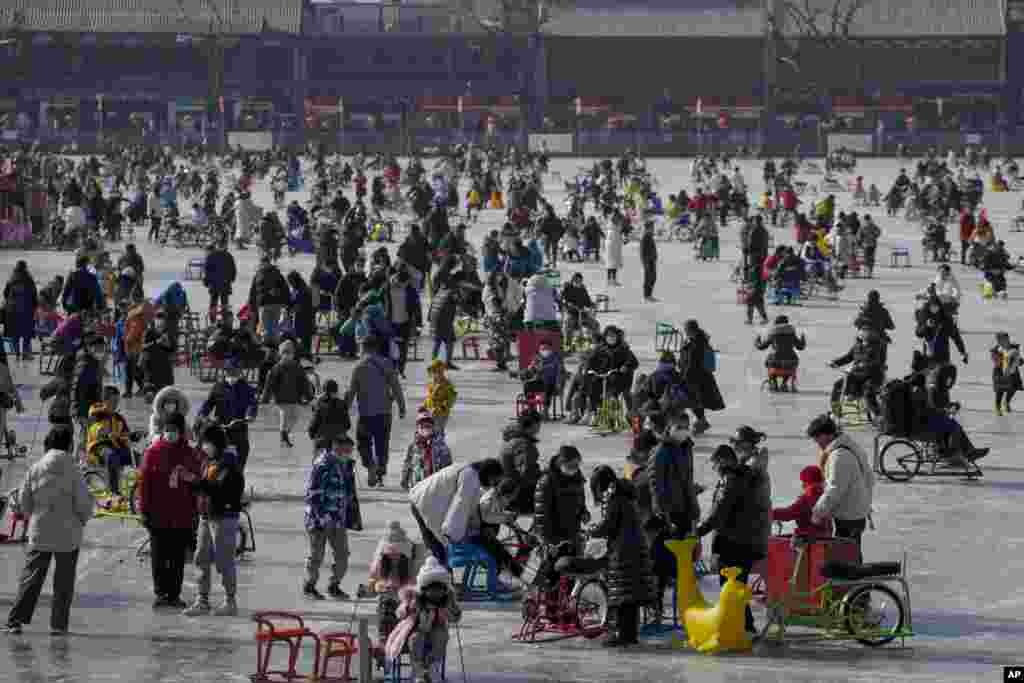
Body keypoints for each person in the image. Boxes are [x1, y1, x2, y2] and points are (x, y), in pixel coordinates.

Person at [5, 426, 94, 635]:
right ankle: (58, 626)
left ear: (47, 444)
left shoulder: (35, 469)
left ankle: (15, 621)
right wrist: (82, 520)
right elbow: (83, 505)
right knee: (63, 583)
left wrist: (33, 518)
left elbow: (24, 503)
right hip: (68, 535)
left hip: (40, 532)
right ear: (70, 445)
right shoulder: (74, 471)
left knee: (31, 579)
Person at [695, 444, 770, 635]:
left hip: (733, 542)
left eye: (715, 464)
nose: (715, 469)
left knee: (730, 586)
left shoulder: (731, 480)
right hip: (747, 540)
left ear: (722, 460)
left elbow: (719, 513)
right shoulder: (745, 476)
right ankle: (745, 624)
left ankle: (738, 626)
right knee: (737, 585)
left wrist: (698, 531)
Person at [138, 411, 201, 609]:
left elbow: (197, 483)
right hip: (157, 514)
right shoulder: (152, 452)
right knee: (158, 556)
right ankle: (160, 593)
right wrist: (144, 511)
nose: (170, 433)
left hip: (182, 514)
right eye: (167, 430)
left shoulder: (190, 454)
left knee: (176, 558)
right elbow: (144, 484)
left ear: (181, 431)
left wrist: (195, 512)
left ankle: (174, 594)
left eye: (174, 430)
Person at [588, 464, 654, 647]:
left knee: (623, 595)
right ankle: (629, 634)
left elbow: (608, 525)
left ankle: (622, 635)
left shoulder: (614, 497)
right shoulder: (626, 495)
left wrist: (592, 530)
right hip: (636, 548)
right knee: (630, 595)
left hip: (623, 550)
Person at [184, 424, 245, 617]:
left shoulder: (228, 464)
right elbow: (205, 487)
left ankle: (230, 600)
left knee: (224, 560)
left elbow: (219, 490)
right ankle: (202, 600)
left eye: (207, 443)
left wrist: (195, 482)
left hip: (223, 518)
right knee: (201, 557)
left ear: (216, 444)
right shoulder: (209, 462)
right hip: (206, 516)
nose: (204, 447)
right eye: (203, 443)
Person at [408, 458, 505, 566]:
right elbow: (460, 508)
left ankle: (442, 575)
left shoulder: (471, 472)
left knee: (441, 548)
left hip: (425, 498)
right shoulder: (470, 478)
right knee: (442, 550)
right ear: (489, 474)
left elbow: (468, 508)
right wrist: (455, 539)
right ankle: (442, 577)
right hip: (425, 502)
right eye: (494, 481)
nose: (493, 485)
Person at [806, 414, 874, 562]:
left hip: (849, 515)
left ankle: (854, 583)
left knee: (846, 557)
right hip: (856, 511)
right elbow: (869, 478)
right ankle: (857, 583)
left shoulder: (839, 456)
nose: (816, 442)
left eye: (817, 437)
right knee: (852, 553)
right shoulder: (849, 447)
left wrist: (818, 513)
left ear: (827, 435)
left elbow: (834, 489)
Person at [385, 556, 462, 683]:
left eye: (440, 590)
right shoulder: (416, 599)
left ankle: (431, 666)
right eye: (432, 590)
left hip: (437, 628)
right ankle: (418, 670)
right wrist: (408, 607)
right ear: (424, 589)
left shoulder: (446, 601)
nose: (436, 594)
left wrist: (454, 612)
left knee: (442, 636)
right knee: (416, 639)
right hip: (417, 628)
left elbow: (454, 616)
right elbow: (400, 613)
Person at [303, 434, 360, 600]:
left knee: (342, 554)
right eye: (346, 450)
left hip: (338, 519)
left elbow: (348, 492)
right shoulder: (322, 465)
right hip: (318, 519)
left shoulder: (346, 465)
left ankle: (334, 585)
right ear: (336, 447)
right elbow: (313, 493)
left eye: (350, 451)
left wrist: (350, 515)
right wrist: (321, 517)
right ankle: (310, 585)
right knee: (316, 555)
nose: (349, 454)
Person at [533, 445, 589, 586]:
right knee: (552, 577)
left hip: (573, 535)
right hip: (554, 539)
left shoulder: (577, 478)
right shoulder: (547, 481)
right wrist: (546, 540)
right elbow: (541, 515)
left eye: (577, 464)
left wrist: (584, 513)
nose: (574, 468)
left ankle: (565, 606)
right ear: (561, 462)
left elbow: (581, 502)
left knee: (571, 575)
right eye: (571, 465)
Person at [196, 360, 259, 469]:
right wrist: (202, 415)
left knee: (241, 455)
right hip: (220, 428)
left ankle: (238, 477)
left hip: (239, 428)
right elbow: (208, 403)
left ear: (240, 372)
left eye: (236, 372)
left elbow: (252, 404)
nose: (232, 375)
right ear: (225, 372)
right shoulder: (218, 387)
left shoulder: (247, 388)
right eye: (230, 372)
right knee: (213, 457)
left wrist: (249, 416)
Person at [260, 339, 314, 448]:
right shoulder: (277, 368)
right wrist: (265, 397)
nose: (287, 355)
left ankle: (285, 433)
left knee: (295, 416)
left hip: (294, 397)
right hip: (281, 397)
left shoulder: (297, 367)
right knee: (284, 415)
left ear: (293, 354)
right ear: (281, 354)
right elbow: (269, 383)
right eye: (284, 352)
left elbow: (304, 382)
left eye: (289, 353)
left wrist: (308, 395)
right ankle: (283, 436)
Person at [678, 319, 724, 435]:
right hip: (698, 377)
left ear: (691, 330)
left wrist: (683, 377)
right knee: (694, 401)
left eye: (686, 330)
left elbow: (691, 362)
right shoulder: (697, 340)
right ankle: (701, 421)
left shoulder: (697, 343)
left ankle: (700, 422)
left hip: (695, 378)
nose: (685, 332)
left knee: (691, 401)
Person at [85, 385, 132, 496]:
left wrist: (134, 436)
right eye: (113, 401)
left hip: (116, 447)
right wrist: (100, 431)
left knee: (139, 457)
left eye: (117, 401)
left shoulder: (119, 418)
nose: (116, 404)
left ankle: (143, 488)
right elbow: (93, 428)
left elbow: (126, 435)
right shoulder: (96, 414)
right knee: (112, 457)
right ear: (105, 400)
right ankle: (114, 492)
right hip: (97, 449)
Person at [829, 327, 885, 417]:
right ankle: (836, 410)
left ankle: (878, 414)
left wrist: (864, 365)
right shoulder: (857, 345)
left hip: (873, 376)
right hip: (855, 375)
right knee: (838, 385)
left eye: (867, 332)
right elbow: (848, 357)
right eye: (862, 331)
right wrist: (835, 362)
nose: (864, 333)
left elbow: (877, 361)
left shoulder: (877, 346)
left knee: (868, 392)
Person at [499, 410, 543, 514]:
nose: (540, 428)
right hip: (516, 497)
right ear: (533, 425)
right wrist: (542, 475)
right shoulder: (523, 444)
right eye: (538, 425)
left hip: (507, 492)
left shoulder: (513, 439)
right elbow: (526, 473)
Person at [772, 465, 832, 538]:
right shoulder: (825, 496)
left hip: (808, 540)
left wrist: (770, 513)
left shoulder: (808, 497)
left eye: (804, 481)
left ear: (808, 481)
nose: (802, 485)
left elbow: (789, 513)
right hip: (826, 537)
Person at [401, 410, 453, 491]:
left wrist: (448, 480)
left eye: (428, 426)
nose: (425, 429)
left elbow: (448, 464)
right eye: (422, 427)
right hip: (417, 484)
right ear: (417, 429)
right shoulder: (413, 446)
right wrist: (405, 478)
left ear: (433, 427)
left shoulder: (440, 446)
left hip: (436, 485)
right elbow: (407, 463)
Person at [755, 315, 806, 391]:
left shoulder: (773, 333)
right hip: (790, 362)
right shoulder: (791, 334)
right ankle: (784, 383)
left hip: (775, 362)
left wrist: (757, 341)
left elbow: (761, 347)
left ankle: (774, 383)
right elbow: (801, 347)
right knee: (792, 362)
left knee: (768, 361)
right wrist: (803, 338)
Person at [3, 260, 38, 360]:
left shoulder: (11, 280)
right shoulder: (29, 280)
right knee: (26, 334)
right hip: (26, 310)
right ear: (25, 268)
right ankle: (25, 353)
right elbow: (34, 296)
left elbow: (5, 294)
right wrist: (34, 307)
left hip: (13, 311)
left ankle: (17, 353)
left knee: (15, 334)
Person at [307, 378, 352, 449]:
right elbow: (347, 425)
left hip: (323, 440)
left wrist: (311, 433)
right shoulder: (342, 404)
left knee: (318, 454)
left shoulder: (320, 404)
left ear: (324, 391)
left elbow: (315, 422)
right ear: (336, 390)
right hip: (339, 440)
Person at [422, 359, 457, 433]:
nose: (433, 374)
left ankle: (439, 442)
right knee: (429, 431)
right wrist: (424, 405)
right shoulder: (432, 383)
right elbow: (430, 397)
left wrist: (443, 407)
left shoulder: (447, 384)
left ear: (441, 372)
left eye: (436, 372)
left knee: (438, 430)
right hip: (431, 411)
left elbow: (452, 397)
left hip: (441, 413)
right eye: (432, 372)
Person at [992, 331, 1023, 415]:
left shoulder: (1014, 348)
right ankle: (997, 407)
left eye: (1002, 340)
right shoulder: (996, 350)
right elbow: (996, 361)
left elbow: (1020, 361)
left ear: (1007, 339)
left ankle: (1006, 402)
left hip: (1013, 373)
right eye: (998, 340)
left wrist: (1018, 361)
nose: (1000, 342)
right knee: (1000, 391)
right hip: (1000, 373)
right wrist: (1004, 358)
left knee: (1013, 388)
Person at [203, 241, 237, 311]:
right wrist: (231, 279)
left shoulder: (211, 256)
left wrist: (206, 282)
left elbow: (207, 270)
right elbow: (233, 269)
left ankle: (212, 318)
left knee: (213, 301)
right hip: (225, 283)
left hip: (214, 283)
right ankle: (225, 317)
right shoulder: (228, 256)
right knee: (224, 302)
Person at [640, 220, 658, 302]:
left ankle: (649, 295)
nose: (653, 228)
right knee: (648, 279)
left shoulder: (649, 235)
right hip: (648, 261)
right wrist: (645, 262)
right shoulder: (645, 236)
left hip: (651, 260)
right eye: (652, 227)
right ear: (648, 228)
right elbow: (642, 251)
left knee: (653, 278)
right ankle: (646, 296)